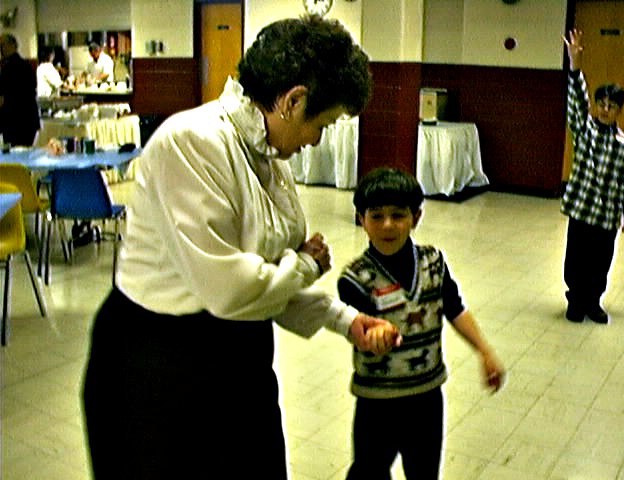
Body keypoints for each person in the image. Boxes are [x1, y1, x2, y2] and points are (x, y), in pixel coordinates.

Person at [81, 15, 401, 480]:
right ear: (293, 101)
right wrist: (305, 264)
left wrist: (345, 320)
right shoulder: (191, 142)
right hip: (156, 363)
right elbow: (232, 291)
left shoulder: (268, 155)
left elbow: (263, 282)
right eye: (323, 124)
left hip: (238, 352)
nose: (317, 140)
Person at [338, 168, 505, 479]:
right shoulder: (355, 278)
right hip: (377, 402)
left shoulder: (433, 263)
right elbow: (358, 328)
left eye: (398, 215)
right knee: (368, 471)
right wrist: (374, 337)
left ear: (416, 217)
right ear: (361, 219)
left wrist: (484, 350)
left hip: (426, 397)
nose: (388, 225)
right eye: (376, 216)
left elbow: (455, 309)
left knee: (425, 472)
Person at [561, 28, 624, 324]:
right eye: (601, 103)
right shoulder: (584, 129)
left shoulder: (621, 142)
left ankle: (593, 301)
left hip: (606, 217)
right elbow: (577, 102)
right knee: (576, 259)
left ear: (619, 110)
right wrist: (575, 65)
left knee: (600, 262)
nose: (605, 109)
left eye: (611, 106)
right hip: (583, 210)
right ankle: (575, 300)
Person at [0, 34, 40, 146]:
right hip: (28, 119)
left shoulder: (7, 67)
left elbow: (3, 96)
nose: (1, 49)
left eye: (3, 45)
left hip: (13, 120)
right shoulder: (27, 65)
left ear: (13, 45)